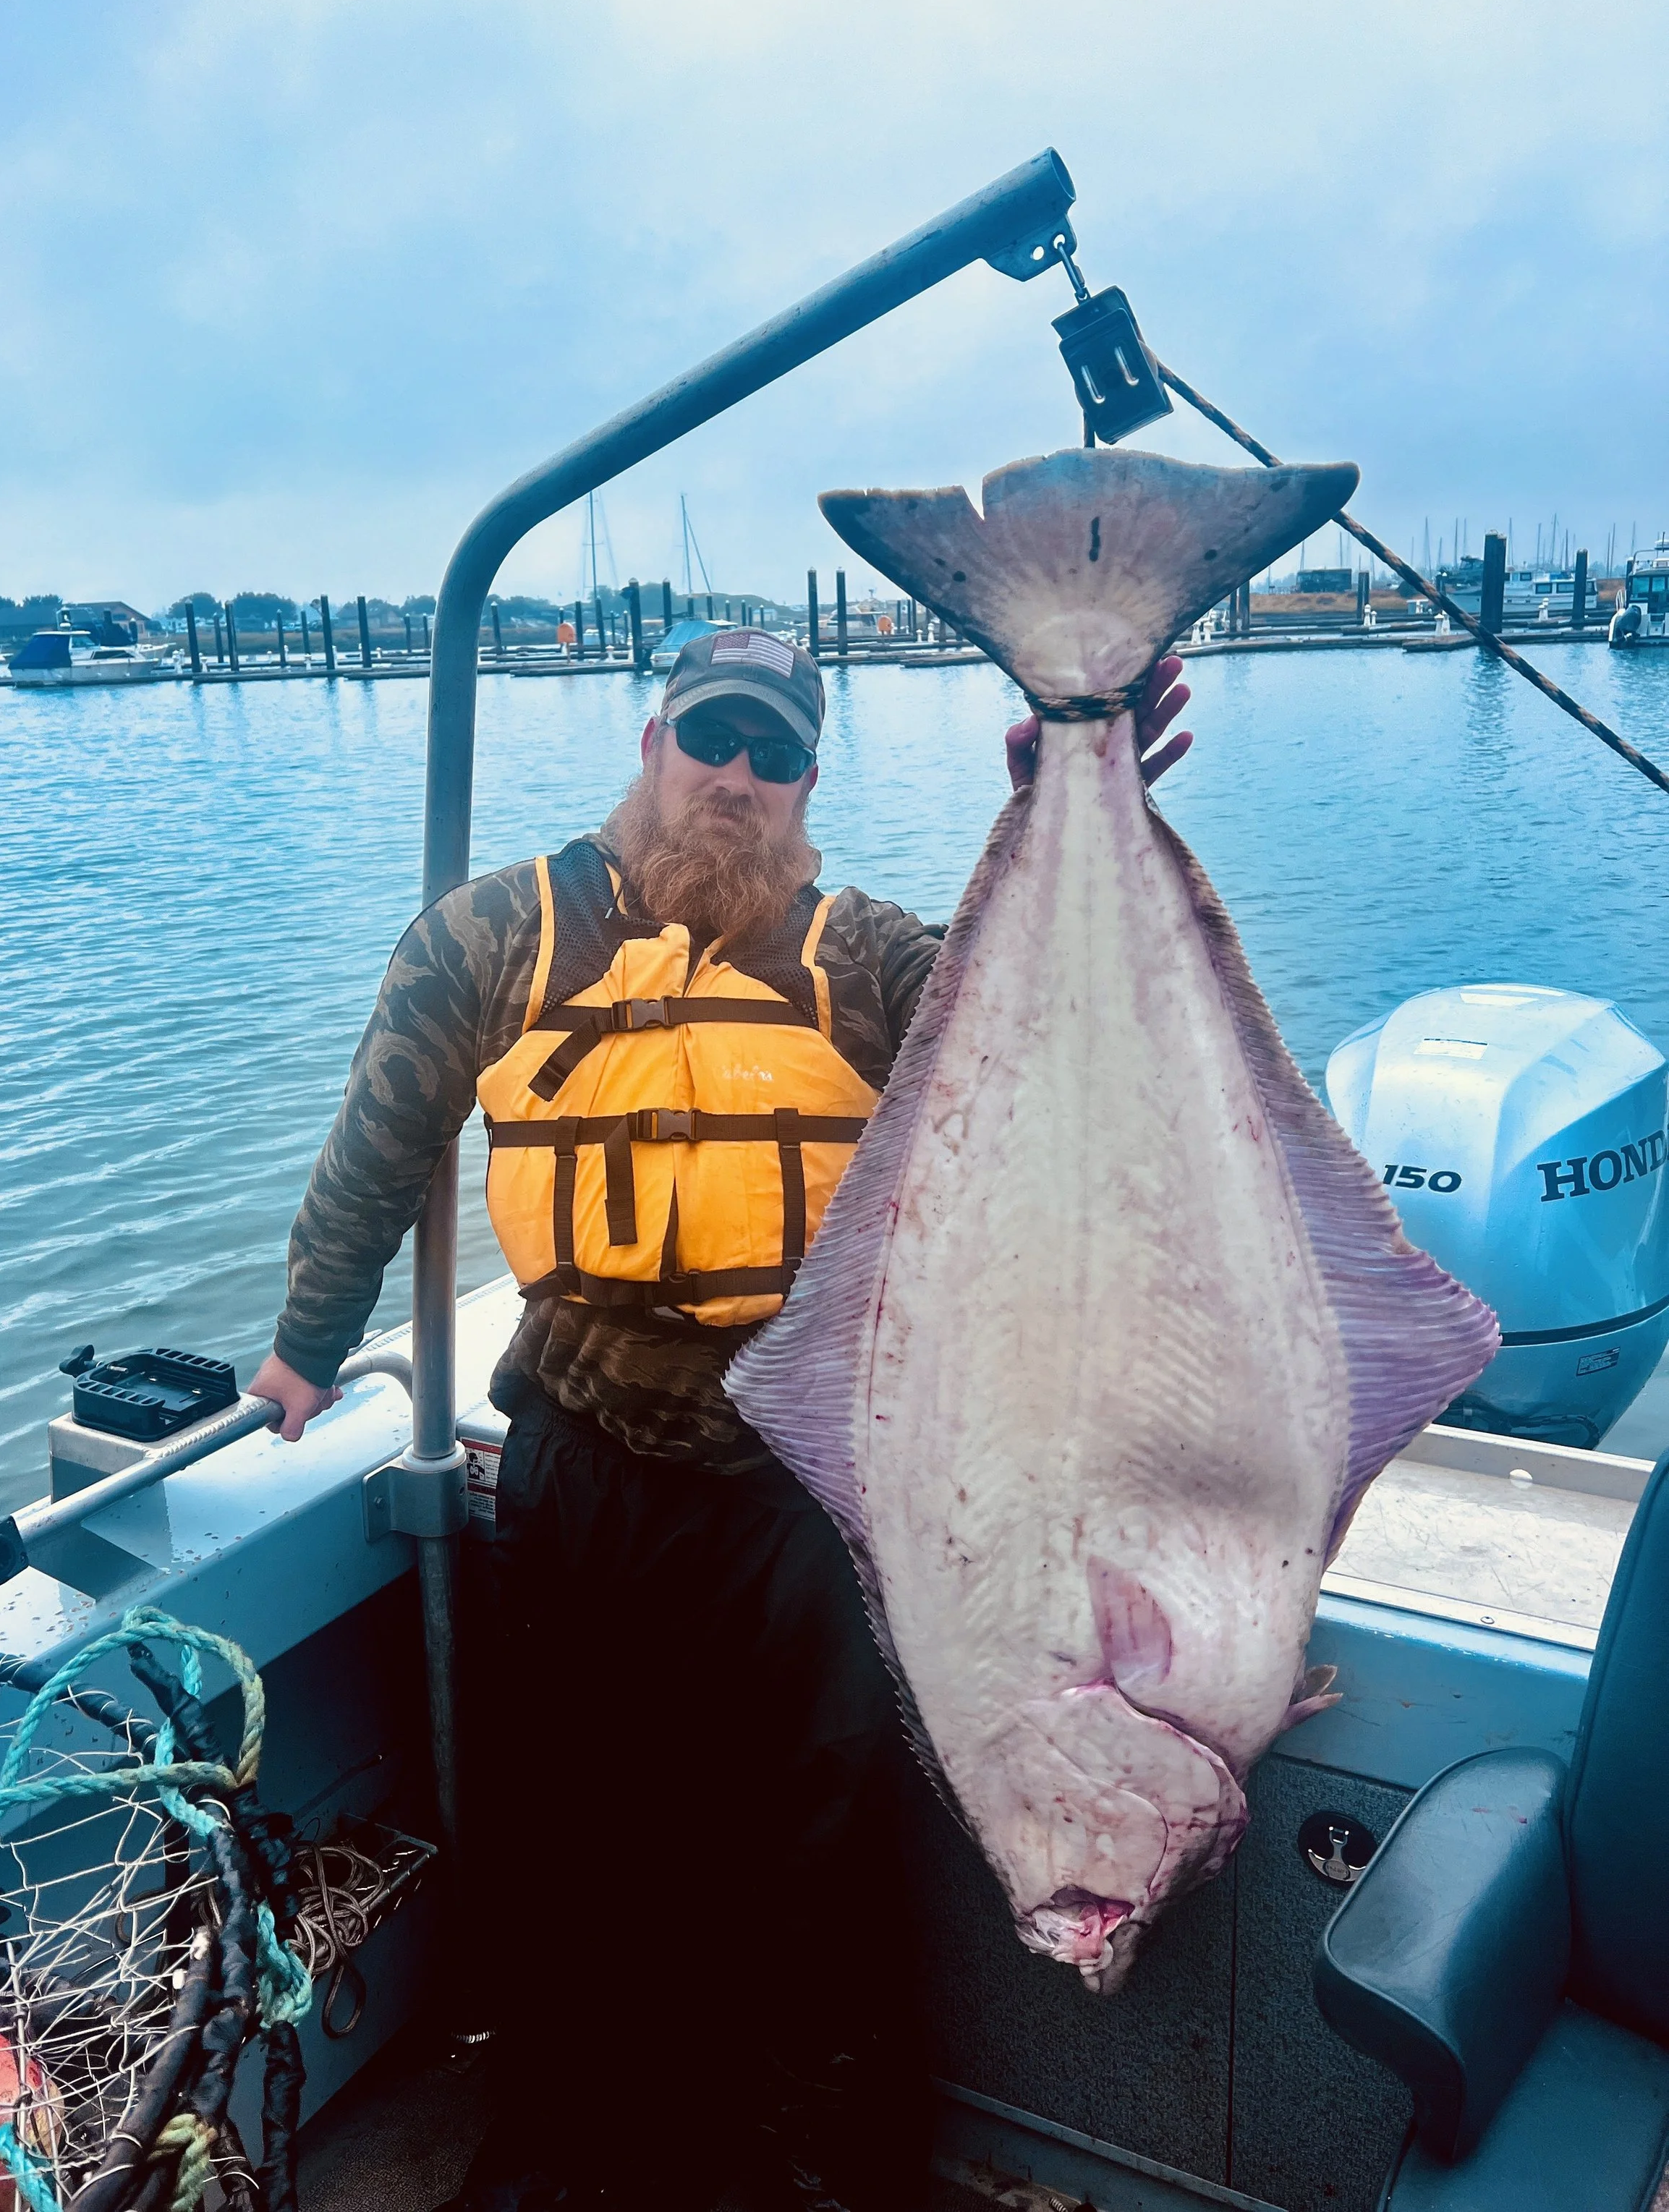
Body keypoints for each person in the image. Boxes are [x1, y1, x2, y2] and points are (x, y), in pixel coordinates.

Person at [250, 629, 1192, 2212]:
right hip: (578, 1457)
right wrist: (301, 1345)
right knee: (574, 1842)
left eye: (774, 755)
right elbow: (380, 1133)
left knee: (814, 1851)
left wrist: (1058, 830)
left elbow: (1036, 1048)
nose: (737, 780)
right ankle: (577, 2151)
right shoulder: (498, 930)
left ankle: (817, 2173)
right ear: (651, 738)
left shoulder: (862, 950)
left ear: (809, 782)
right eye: (714, 740)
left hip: (805, 1480)